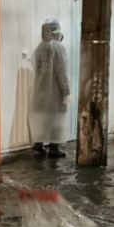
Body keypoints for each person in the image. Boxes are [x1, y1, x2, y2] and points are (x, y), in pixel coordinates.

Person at [29, 19, 71, 159]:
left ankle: (39, 144)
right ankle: (54, 149)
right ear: (55, 32)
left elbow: (37, 69)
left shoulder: (40, 48)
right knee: (55, 119)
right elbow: (62, 71)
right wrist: (66, 91)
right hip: (55, 91)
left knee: (42, 118)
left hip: (40, 90)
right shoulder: (57, 48)